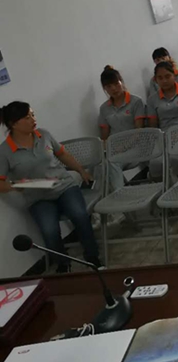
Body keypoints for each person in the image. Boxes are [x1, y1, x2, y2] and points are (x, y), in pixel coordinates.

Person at [0, 102, 102, 272]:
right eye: (27, 117)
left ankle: (93, 257)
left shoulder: (44, 135)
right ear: (14, 124)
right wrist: (13, 185)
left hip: (64, 186)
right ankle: (63, 263)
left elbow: (63, 154)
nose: (33, 120)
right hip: (38, 197)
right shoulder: (4, 151)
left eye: (33, 115)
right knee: (49, 230)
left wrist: (81, 171)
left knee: (79, 215)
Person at [98, 66, 145, 139]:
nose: (113, 89)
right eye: (109, 86)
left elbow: (139, 130)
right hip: (114, 144)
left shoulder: (136, 101)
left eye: (116, 84)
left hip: (135, 143)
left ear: (121, 82)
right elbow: (104, 136)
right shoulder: (104, 108)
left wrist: (127, 144)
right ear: (105, 88)